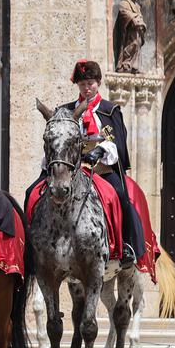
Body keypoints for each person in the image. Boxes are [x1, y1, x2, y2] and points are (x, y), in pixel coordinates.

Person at [63, 60, 145, 267]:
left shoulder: (110, 110)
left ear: (98, 83)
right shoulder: (66, 111)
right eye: (82, 84)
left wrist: (99, 150)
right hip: (73, 169)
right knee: (36, 192)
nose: (87, 88)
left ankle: (128, 245)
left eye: (90, 83)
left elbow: (117, 142)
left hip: (103, 169)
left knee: (121, 195)